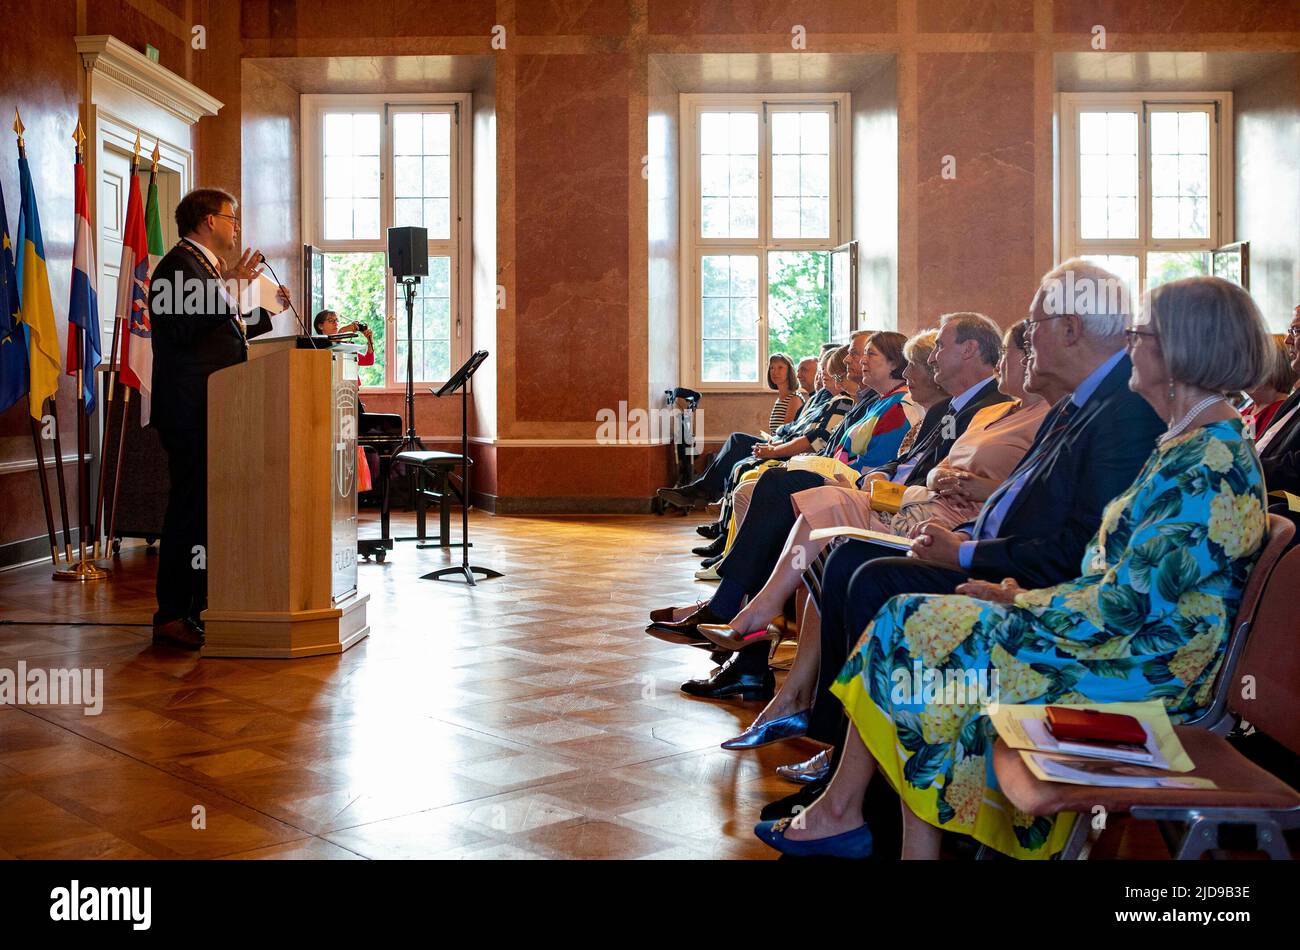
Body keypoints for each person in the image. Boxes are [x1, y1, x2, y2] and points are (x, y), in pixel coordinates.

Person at [756, 274, 1273, 860]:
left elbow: (1131, 606)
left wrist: (1021, 601)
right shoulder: (1190, 442)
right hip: (1117, 642)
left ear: (1180, 350)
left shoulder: (1206, 461)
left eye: (1142, 333)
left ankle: (871, 826)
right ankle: (877, 829)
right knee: (909, 618)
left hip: (1145, 672)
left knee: (917, 629)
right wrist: (1014, 596)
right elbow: (1125, 584)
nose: (1131, 345)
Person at [708, 321, 1047, 759]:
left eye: (1011, 353)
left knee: (821, 527)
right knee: (803, 517)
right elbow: (935, 465)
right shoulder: (989, 412)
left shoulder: (1035, 415)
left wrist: (963, 490)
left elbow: (1018, 489)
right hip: (919, 499)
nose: (912, 369)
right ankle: (784, 681)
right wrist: (927, 477)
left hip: (949, 518)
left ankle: (767, 641)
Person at [148, 188, 291, 649]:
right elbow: (184, 323)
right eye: (232, 217)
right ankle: (172, 613)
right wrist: (231, 284)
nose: (237, 226)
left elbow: (219, 324)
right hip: (190, 409)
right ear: (208, 221)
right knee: (188, 510)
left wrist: (262, 309)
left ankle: (197, 605)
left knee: (203, 510)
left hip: (214, 407)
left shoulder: (204, 271)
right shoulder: (176, 265)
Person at [766, 352, 804, 431]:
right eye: (772, 368)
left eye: (780, 367)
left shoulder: (794, 399)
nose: (775, 372)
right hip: (774, 441)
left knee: (737, 438)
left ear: (790, 371)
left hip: (782, 443)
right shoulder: (780, 399)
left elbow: (787, 434)